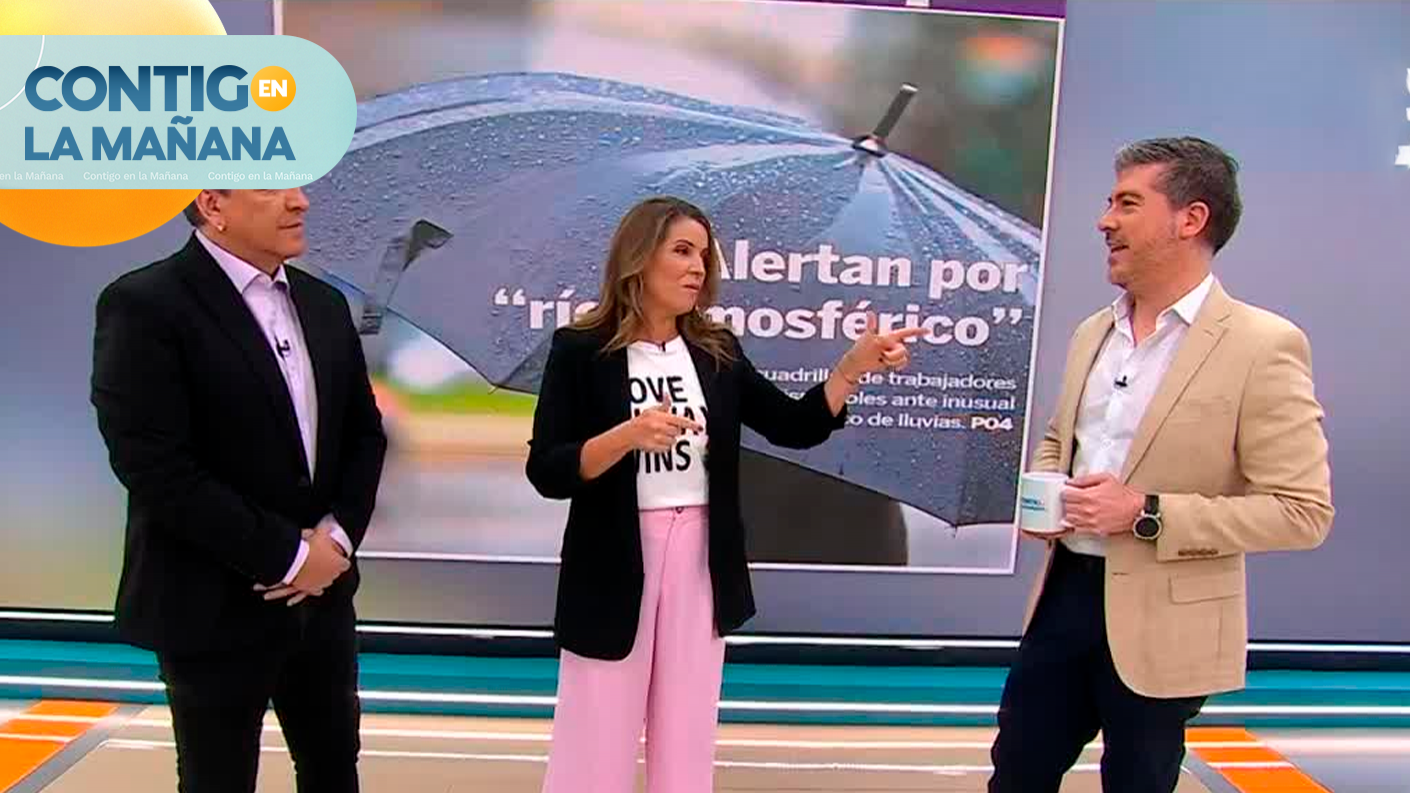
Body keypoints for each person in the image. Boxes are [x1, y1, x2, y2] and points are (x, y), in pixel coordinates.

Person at [526, 196, 924, 793]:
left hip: (700, 557)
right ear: (639, 258)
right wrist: (625, 437)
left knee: (686, 733)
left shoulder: (717, 351)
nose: (698, 268)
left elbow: (793, 426)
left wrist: (849, 369)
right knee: (596, 732)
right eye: (682, 251)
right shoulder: (581, 350)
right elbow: (547, 471)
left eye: (704, 256)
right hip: (612, 559)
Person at [988, 137, 1334, 792]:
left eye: (1127, 203)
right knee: (1016, 774)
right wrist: (1045, 493)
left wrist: (1143, 513)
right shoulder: (1093, 332)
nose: (1104, 221)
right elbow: (1062, 439)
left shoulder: (1263, 345)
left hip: (1169, 622)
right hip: (1064, 597)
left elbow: (1301, 512)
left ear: (1191, 218)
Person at [91, 188, 387, 793]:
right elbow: (154, 464)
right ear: (212, 205)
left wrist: (333, 542)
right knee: (217, 779)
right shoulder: (146, 304)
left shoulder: (323, 303)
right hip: (210, 604)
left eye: (296, 185)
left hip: (323, 601)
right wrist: (289, 556)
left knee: (334, 769)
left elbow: (364, 435)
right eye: (272, 188)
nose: (299, 202)